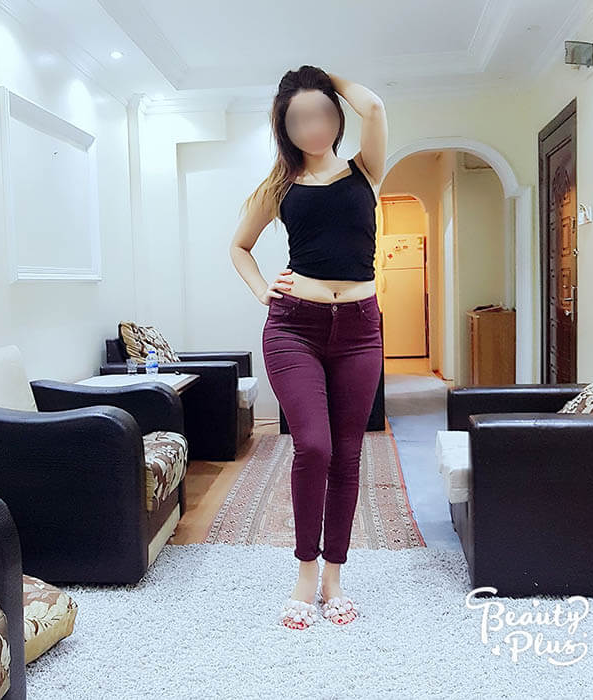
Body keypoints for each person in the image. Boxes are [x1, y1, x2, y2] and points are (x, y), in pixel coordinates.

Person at [229, 65, 388, 629]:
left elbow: (374, 107)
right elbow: (240, 247)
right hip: (294, 327)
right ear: (285, 127)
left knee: (347, 452)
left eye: (321, 113)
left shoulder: (365, 170)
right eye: (298, 119)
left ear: (336, 116)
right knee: (314, 447)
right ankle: (304, 572)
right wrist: (261, 290)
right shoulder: (278, 185)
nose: (312, 126)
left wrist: (326, 79)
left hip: (361, 329)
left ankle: (333, 577)